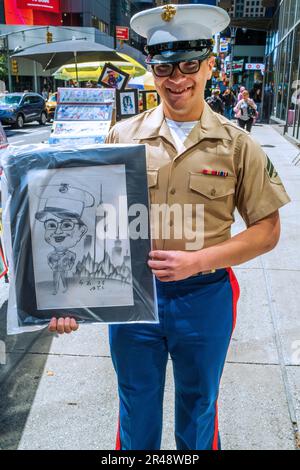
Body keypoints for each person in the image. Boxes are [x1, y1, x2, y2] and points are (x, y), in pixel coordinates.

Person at [48, 3, 291, 451]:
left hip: (205, 296)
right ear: (152, 70)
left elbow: (267, 230)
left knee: (199, 408)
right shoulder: (121, 137)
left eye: (188, 65)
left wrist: (197, 260)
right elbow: (90, 224)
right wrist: (67, 298)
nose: (176, 79)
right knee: (135, 406)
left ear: (209, 65)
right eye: (163, 67)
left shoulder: (238, 145)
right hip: (131, 299)